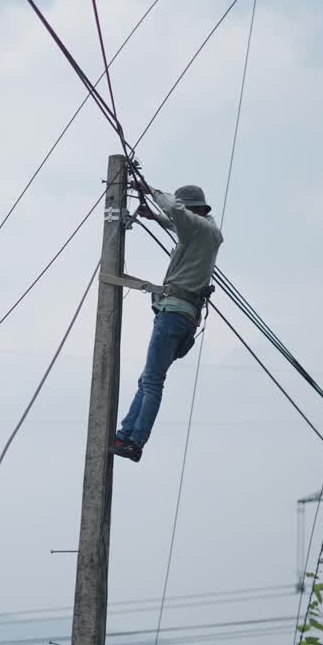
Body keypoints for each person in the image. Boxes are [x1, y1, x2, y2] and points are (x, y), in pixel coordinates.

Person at [111, 178, 223, 462]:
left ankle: (134, 442)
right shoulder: (208, 232)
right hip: (185, 320)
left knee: (152, 383)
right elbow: (177, 223)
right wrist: (155, 217)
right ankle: (124, 436)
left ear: (192, 211)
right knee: (148, 379)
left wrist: (149, 190)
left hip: (172, 315)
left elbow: (176, 211)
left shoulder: (196, 227)